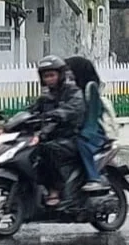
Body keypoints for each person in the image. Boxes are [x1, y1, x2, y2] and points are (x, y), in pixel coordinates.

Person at [28, 55, 86, 206]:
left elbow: (74, 107)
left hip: (71, 138)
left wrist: (58, 114)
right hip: (53, 138)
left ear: (60, 75)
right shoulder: (45, 98)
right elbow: (32, 111)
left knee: (47, 149)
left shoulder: (73, 92)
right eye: (46, 76)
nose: (49, 79)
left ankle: (55, 189)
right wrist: (15, 118)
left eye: (52, 75)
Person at [65, 56, 111, 192]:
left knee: (81, 144)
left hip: (94, 132)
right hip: (79, 128)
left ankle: (94, 178)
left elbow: (93, 112)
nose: (68, 73)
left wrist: (86, 133)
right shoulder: (74, 88)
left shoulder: (90, 87)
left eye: (70, 70)